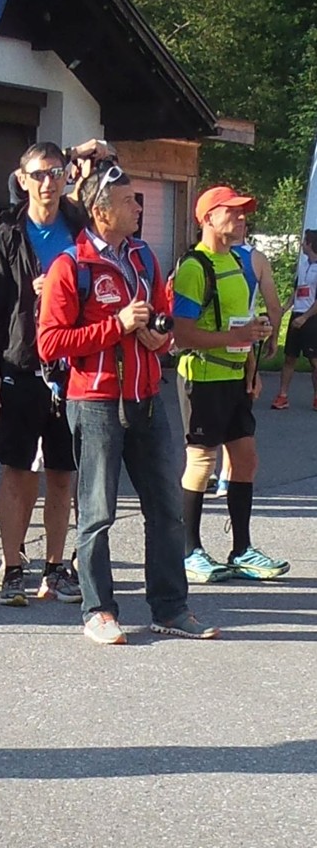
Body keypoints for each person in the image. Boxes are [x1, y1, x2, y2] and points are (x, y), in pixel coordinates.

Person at [37, 164, 214, 643]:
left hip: (147, 397)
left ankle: (171, 609)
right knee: (97, 514)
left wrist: (158, 336)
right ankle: (98, 611)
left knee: (167, 508)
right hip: (95, 402)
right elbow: (50, 344)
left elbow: (163, 319)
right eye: (129, 200)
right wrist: (116, 325)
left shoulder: (143, 256)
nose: (138, 207)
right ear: (100, 212)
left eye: (137, 199)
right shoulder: (70, 266)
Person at [0, 140, 96, 606]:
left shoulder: (81, 230)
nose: (48, 183)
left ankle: (55, 568)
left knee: (63, 473)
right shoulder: (6, 236)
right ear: (22, 180)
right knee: (18, 470)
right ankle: (13, 567)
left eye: (56, 173)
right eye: (39, 174)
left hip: (72, 367)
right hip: (21, 365)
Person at [172, 185, 288, 584]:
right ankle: (189, 551)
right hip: (203, 376)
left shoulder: (238, 263)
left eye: (243, 212)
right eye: (232, 212)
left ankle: (241, 550)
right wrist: (234, 339)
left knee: (245, 459)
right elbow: (182, 333)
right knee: (202, 462)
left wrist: (251, 365)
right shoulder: (194, 267)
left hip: (236, 378)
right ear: (208, 218)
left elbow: (244, 325)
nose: (241, 218)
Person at [271, 226, 317, 410]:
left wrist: (305, 317)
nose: (302, 244)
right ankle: (282, 396)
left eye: (304, 241)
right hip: (296, 315)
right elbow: (297, 291)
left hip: (312, 318)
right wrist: (285, 308)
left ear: (310, 244)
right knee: (290, 357)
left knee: (314, 361)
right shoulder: (303, 265)